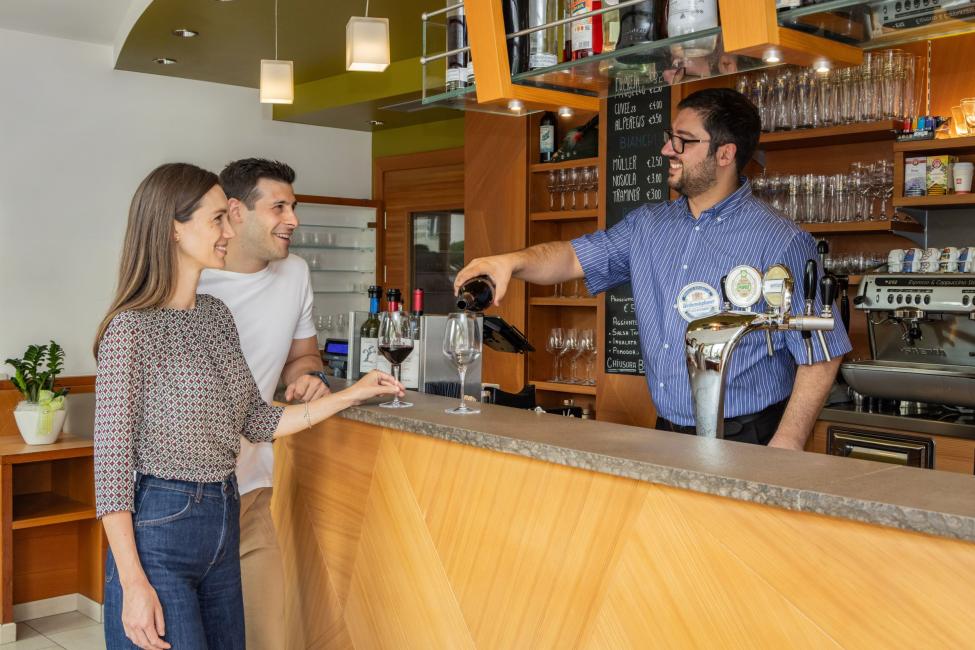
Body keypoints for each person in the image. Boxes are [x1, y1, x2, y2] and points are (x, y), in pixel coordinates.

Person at [93, 162, 404, 650]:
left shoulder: (216, 316)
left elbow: (257, 420)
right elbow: (110, 470)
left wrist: (353, 392)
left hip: (224, 511)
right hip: (162, 529)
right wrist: (133, 584)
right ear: (174, 228)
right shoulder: (131, 329)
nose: (228, 231)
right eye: (217, 219)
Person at [454, 88, 852, 450]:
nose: (667, 149)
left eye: (683, 140)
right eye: (669, 136)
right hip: (668, 430)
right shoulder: (647, 226)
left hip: (747, 436)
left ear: (725, 154)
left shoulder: (781, 241)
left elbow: (822, 351)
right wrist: (510, 261)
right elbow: (573, 257)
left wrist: (787, 441)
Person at [196, 158, 324, 649]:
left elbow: (302, 355)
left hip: (251, 490)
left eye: (293, 206)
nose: (292, 219)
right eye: (279, 207)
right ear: (237, 211)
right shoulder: (191, 274)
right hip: (184, 497)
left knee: (268, 637)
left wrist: (306, 376)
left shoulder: (295, 273)